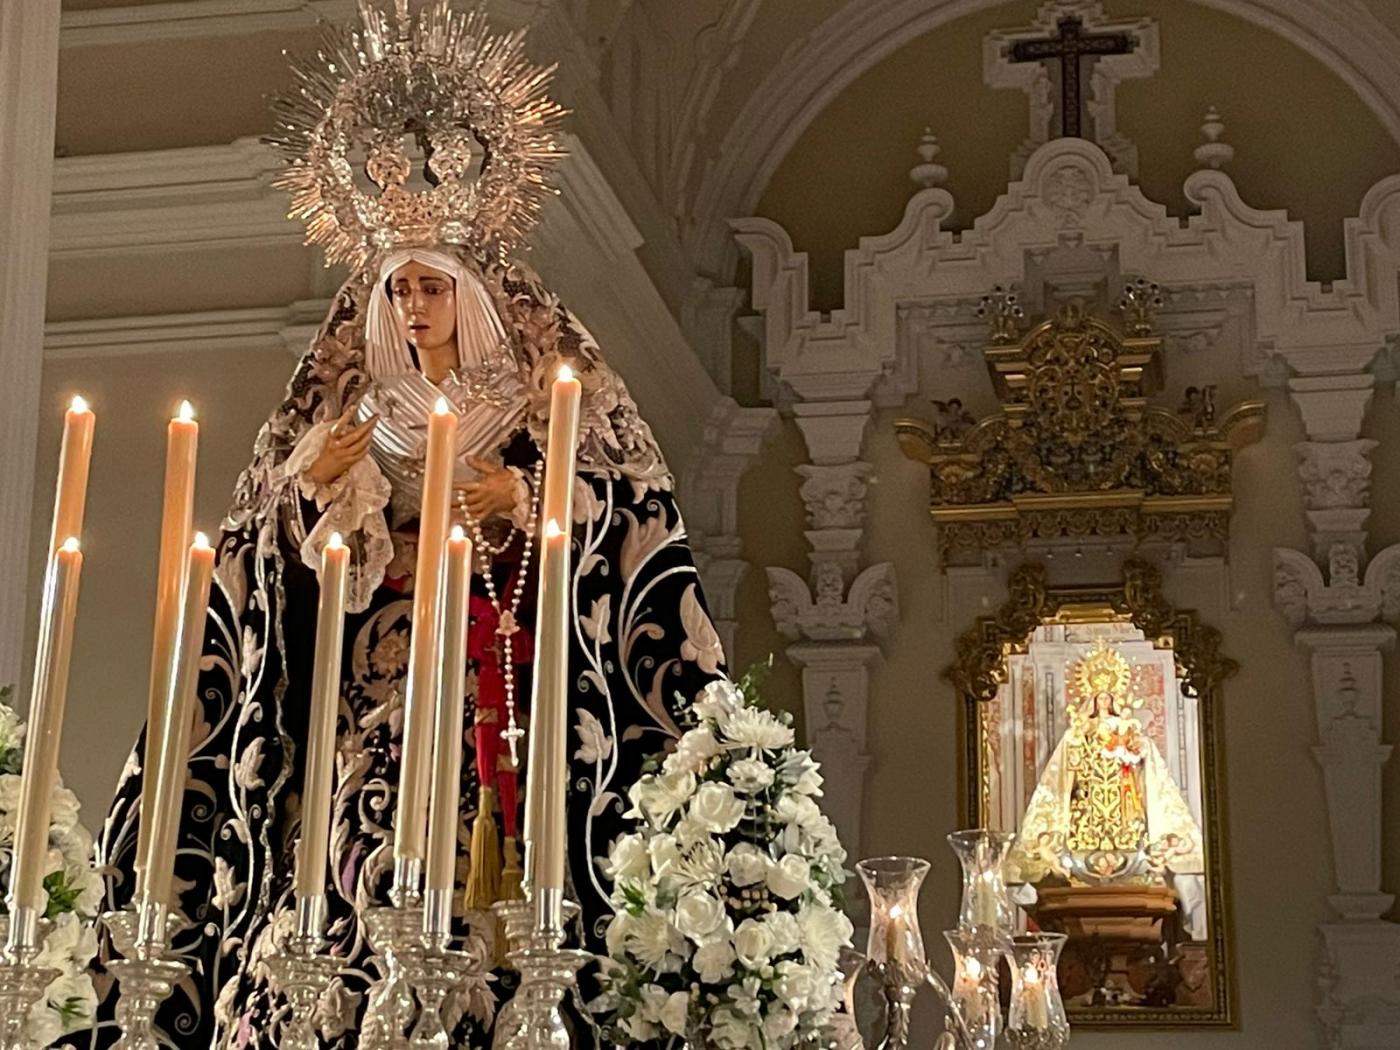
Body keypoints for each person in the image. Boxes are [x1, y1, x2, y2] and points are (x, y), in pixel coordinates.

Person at [87, 199, 726, 1050]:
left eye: (432, 286)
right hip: (371, 706)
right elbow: (267, 574)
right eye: (397, 291)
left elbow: (637, 523)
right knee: (351, 855)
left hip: (500, 700)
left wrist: (524, 498)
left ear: (473, 294)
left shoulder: (541, 410)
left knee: (497, 877)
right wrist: (311, 495)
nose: (414, 307)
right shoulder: (354, 419)